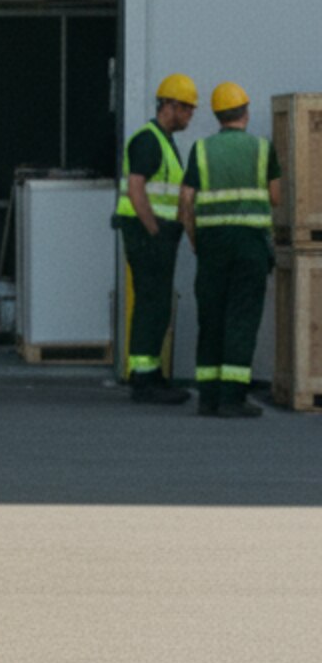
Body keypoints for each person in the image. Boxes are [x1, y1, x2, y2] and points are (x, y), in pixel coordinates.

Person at [179, 81, 281, 419]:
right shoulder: (262, 149)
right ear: (246, 112)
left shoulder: (201, 150)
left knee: (211, 318)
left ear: (217, 115)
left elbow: (185, 203)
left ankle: (207, 397)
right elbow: (276, 197)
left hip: (212, 246)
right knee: (241, 318)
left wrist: (196, 242)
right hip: (249, 244)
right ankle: (232, 398)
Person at [114, 72, 197, 404]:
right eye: (188, 109)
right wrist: (155, 231)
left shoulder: (163, 140)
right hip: (147, 235)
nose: (190, 116)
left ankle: (150, 373)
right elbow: (136, 190)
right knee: (152, 305)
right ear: (171, 106)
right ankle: (144, 380)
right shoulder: (149, 140)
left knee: (157, 306)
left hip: (156, 236)